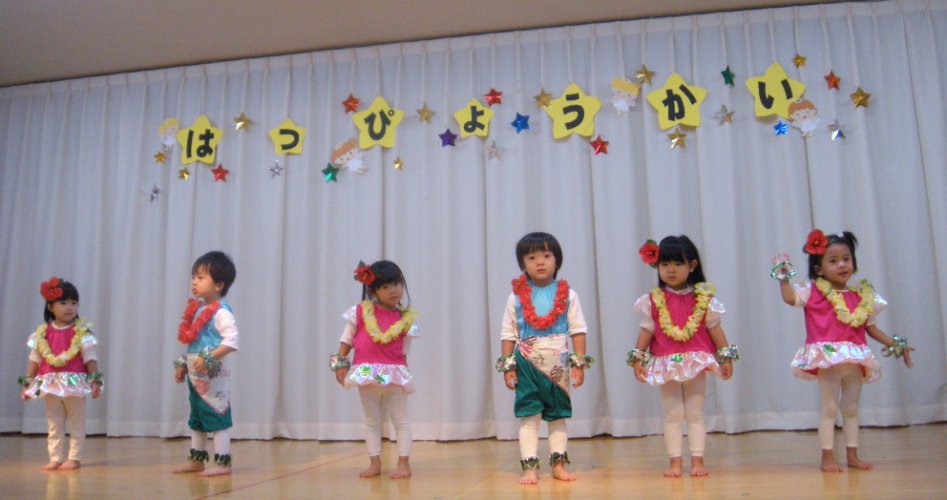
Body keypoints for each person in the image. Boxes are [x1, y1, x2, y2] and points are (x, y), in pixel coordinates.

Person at [772, 230, 914, 472]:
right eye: (833, 260)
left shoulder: (863, 296)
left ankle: (852, 455)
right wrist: (783, 278)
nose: (842, 265)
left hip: (856, 358)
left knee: (851, 408)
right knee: (829, 408)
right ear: (819, 269)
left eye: (846, 259)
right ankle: (827, 456)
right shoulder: (813, 292)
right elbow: (789, 298)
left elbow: (871, 328)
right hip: (828, 357)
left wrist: (897, 345)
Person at [628, 236, 739, 478]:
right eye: (665, 264)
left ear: (692, 266)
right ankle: (675, 462)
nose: (671, 269)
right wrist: (637, 358)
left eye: (678, 263)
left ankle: (698, 460)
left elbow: (715, 329)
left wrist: (726, 357)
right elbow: (647, 330)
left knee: (695, 414)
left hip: (695, 362)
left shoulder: (703, 299)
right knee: (673, 414)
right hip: (666, 362)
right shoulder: (653, 301)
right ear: (657, 266)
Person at [496, 232, 592, 485]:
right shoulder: (515, 297)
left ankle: (558, 465)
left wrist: (579, 364)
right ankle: (530, 467)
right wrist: (508, 366)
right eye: (532, 257)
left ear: (557, 260)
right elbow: (508, 333)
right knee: (529, 416)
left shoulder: (569, 295)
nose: (540, 262)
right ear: (522, 264)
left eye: (546, 256)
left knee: (557, 416)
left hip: (558, 364)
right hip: (526, 364)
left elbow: (578, 330)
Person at [331, 260, 418, 479]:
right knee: (371, 421)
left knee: (400, 420)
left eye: (396, 284)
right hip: (366, 373)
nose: (393, 290)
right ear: (373, 291)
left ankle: (404, 463)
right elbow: (346, 340)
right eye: (385, 286)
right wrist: (339, 365)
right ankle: (374, 463)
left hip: (394, 374)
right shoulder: (359, 312)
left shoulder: (406, 319)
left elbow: (405, 350)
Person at [19, 277, 104, 471]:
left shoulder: (82, 333)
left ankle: (74, 457)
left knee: (76, 421)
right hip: (50, 383)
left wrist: (95, 381)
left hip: (74, 381)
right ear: (50, 306)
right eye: (63, 303)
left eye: (74, 303)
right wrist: (27, 382)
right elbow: (34, 359)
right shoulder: (41, 334)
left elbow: (90, 358)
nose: (69, 307)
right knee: (54, 422)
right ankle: (55, 457)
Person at [172, 251, 239, 477]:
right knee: (197, 418)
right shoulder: (197, 310)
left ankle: (223, 462)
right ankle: (197, 459)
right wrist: (182, 363)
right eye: (194, 277)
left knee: (217, 416)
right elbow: (193, 344)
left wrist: (208, 358)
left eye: (201, 277)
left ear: (219, 284)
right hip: (195, 377)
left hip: (213, 378)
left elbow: (231, 342)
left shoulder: (221, 312)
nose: (194, 282)